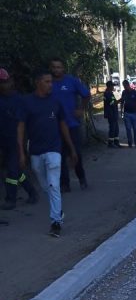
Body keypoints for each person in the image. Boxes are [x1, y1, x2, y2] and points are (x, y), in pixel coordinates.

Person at [17, 70, 78, 237]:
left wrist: (71, 148)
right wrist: (21, 151)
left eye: (51, 81)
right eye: (47, 81)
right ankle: (58, 210)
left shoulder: (55, 102)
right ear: (38, 83)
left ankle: (55, 222)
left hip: (54, 149)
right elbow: (21, 127)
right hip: (35, 151)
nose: (51, 85)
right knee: (46, 186)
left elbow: (63, 125)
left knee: (53, 184)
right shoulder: (27, 102)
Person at [49, 57, 90, 192]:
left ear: (63, 68)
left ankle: (81, 177)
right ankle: (65, 184)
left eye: (58, 67)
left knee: (75, 153)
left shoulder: (71, 81)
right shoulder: (48, 83)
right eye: (54, 67)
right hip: (54, 126)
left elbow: (86, 94)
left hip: (72, 124)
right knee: (59, 156)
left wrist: (81, 109)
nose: (56, 70)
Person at [0, 68, 38, 210]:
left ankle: (11, 199)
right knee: (14, 170)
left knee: (11, 171)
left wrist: (23, 145)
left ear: (10, 82)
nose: (3, 85)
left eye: (4, 82)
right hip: (3, 141)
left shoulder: (18, 100)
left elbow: (25, 123)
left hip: (16, 141)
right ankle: (32, 192)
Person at [119, 80, 136, 148]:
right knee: (128, 129)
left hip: (134, 114)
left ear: (128, 85)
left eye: (125, 86)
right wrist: (121, 112)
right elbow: (122, 102)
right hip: (126, 114)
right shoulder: (124, 92)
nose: (124, 87)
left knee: (135, 129)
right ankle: (130, 143)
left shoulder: (135, 92)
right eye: (123, 86)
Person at [103, 81, 121, 148]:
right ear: (109, 86)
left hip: (113, 113)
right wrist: (120, 100)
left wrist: (118, 101)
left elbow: (113, 102)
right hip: (111, 114)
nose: (113, 87)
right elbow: (112, 103)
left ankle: (116, 142)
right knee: (112, 128)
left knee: (116, 129)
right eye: (112, 86)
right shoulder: (107, 94)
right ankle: (110, 143)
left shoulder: (110, 93)